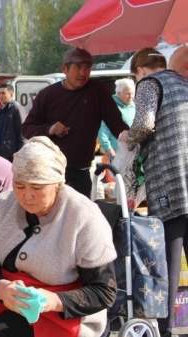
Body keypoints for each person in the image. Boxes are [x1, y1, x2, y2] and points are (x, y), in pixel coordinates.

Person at [0, 136, 117, 337]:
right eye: (20, 186)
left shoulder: (83, 216)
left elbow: (103, 291)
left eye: (37, 188)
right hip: (1, 296)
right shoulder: (5, 203)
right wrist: (2, 289)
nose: (26, 196)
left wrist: (50, 300)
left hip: (58, 313)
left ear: (57, 183)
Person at [120, 47, 188, 337]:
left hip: (171, 184)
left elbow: (145, 123)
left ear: (140, 71)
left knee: (169, 263)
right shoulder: (184, 83)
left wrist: (129, 136)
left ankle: (165, 330)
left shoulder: (150, 84)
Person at [21, 47, 129, 197]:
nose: (83, 73)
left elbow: (116, 123)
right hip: (49, 169)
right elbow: (27, 129)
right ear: (64, 68)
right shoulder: (47, 95)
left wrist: (131, 138)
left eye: (87, 67)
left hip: (81, 170)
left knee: (79, 217)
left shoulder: (97, 91)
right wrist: (49, 129)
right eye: (78, 67)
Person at [97, 78, 135, 161]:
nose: (131, 96)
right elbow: (103, 131)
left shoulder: (134, 106)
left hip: (133, 152)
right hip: (118, 153)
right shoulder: (110, 108)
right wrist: (107, 148)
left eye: (132, 93)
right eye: (128, 93)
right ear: (118, 93)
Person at [0, 83, 25, 162]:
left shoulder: (16, 109)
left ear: (11, 94)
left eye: (3, 93)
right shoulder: (0, 111)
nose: (0, 96)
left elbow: (23, 133)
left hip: (12, 153)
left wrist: (21, 154)